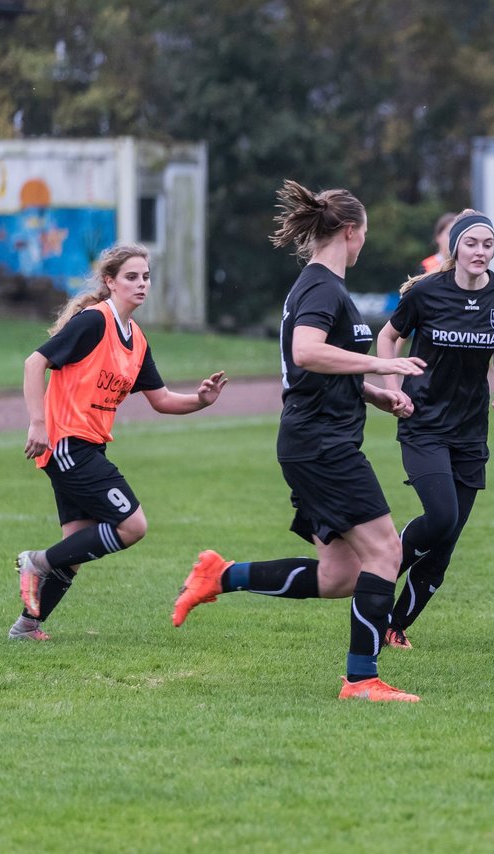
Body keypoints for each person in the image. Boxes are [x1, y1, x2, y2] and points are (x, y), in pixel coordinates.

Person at [171, 179, 426, 703]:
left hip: (315, 439)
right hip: (322, 446)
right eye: (365, 236)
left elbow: (317, 367)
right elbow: (307, 352)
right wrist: (380, 361)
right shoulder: (321, 287)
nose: (364, 245)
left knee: (339, 576)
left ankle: (222, 575)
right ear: (350, 232)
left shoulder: (324, 286)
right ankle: (361, 679)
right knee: (385, 552)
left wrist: (374, 394)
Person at [11, 242, 227, 641]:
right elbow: (33, 362)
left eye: (145, 277)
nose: (141, 284)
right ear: (110, 283)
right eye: (131, 277)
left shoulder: (138, 339)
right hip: (67, 444)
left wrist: (200, 400)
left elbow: (161, 400)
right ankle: (35, 563)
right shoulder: (95, 322)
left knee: (74, 549)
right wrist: (37, 423)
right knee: (132, 525)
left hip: (88, 446)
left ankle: (27, 626)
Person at [376, 209, 494, 649]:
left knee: (446, 543)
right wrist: (393, 388)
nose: (480, 251)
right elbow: (387, 338)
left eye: (487, 244)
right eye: (472, 243)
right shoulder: (427, 292)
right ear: (455, 247)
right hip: (425, 424)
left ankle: (394, 626)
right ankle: (378, 572)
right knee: (441, 516)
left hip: (471, 431)